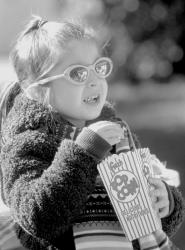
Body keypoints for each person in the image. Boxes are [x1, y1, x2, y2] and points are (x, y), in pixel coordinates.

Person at [0, 16, 184, 250]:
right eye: (78, 74)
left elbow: (143, 203)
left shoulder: (115, 129)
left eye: (99, 67)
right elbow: (37, 217)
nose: (96, 80)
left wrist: (166, 203)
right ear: (37, 91)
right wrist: (83, 152)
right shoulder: (30, 142)